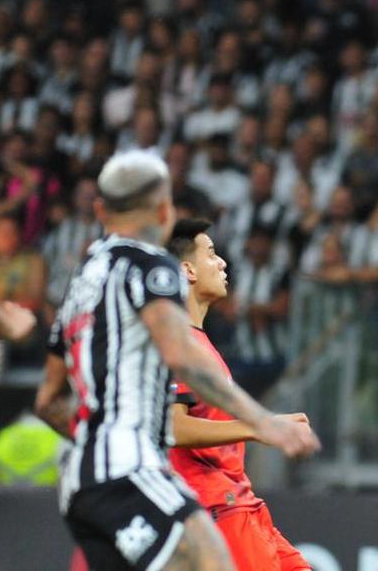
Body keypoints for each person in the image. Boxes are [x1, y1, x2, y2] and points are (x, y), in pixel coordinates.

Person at [33, 150, 319, 570]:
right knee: (211, 560)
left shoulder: (82, 282)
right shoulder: (150, 267)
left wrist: (98, 437)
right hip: (137, 472)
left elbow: (47, 400)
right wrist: (262, 423)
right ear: (165, 206)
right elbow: (181, 360)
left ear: (100, 209)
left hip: (81, 478)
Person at [165, 218, 313, 571]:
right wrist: (260, 426)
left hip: (241, 504)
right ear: (187, 270)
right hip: (216, 509)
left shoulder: (198, 341)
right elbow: (174, 428)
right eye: (212, 254)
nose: (223, 263)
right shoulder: (177, 343)